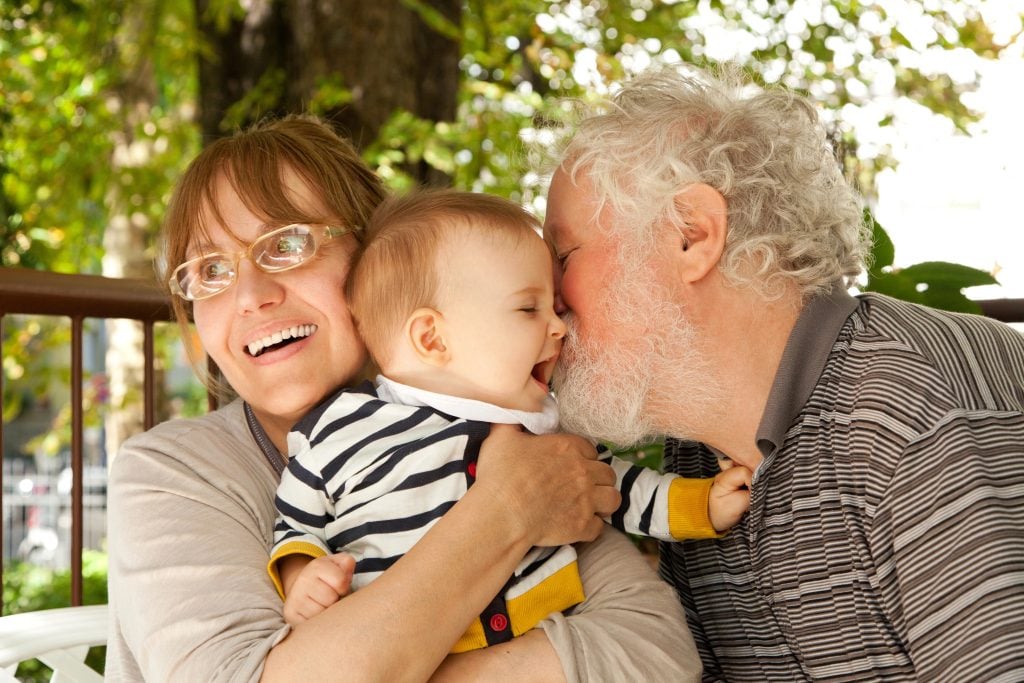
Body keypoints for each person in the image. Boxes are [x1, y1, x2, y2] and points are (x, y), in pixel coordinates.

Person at [105, 114, 702, 682]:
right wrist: (507, 510)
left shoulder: (502, 422)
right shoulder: (173, 474)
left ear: (371, 257)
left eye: (287, 243)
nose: (248, 295)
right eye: (210, 271)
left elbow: (657, 654)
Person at [542, 66, 1024, 682]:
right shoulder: (698, 456)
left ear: (692, 235)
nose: (547, 298)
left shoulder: (908, 402)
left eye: (563, 255)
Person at [268, 189, 752, 651]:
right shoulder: (339, 429)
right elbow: (296, 521)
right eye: (528, 307)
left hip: (538, 636)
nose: (559, 326)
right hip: (404, 648)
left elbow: (615, 487)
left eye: (552, 306)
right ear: (432, 339)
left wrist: (700, 505)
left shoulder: (538, 430)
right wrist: (302, 574)